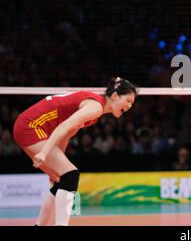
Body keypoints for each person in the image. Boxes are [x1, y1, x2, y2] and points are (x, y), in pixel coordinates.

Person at [13, 77, 137, 226]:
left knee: (61, 179)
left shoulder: (95, 110)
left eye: (132, 103)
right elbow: (64, 126)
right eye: (128, 100)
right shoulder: (95, 107)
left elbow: (68, 133)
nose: (130, 106)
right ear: (115, 96)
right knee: (71, 175)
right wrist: (45, 153)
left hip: (34, 127)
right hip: (31, 127)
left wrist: (57, 162)